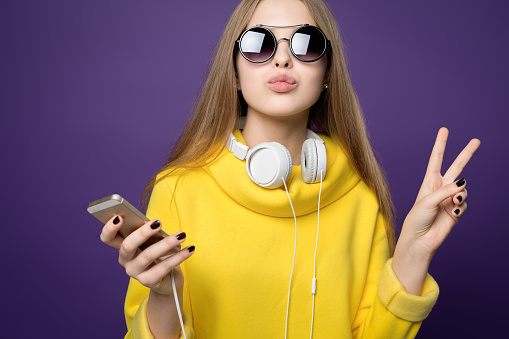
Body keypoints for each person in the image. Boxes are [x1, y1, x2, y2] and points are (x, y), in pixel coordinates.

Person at [99, 0, 481, 338]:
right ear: (233, 72)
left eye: (307, 43)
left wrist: (413, 254)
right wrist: (166, 295)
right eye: (258, 43)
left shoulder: (360, 196)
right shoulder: (180, 189)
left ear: (328, 73)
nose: (282, 59)